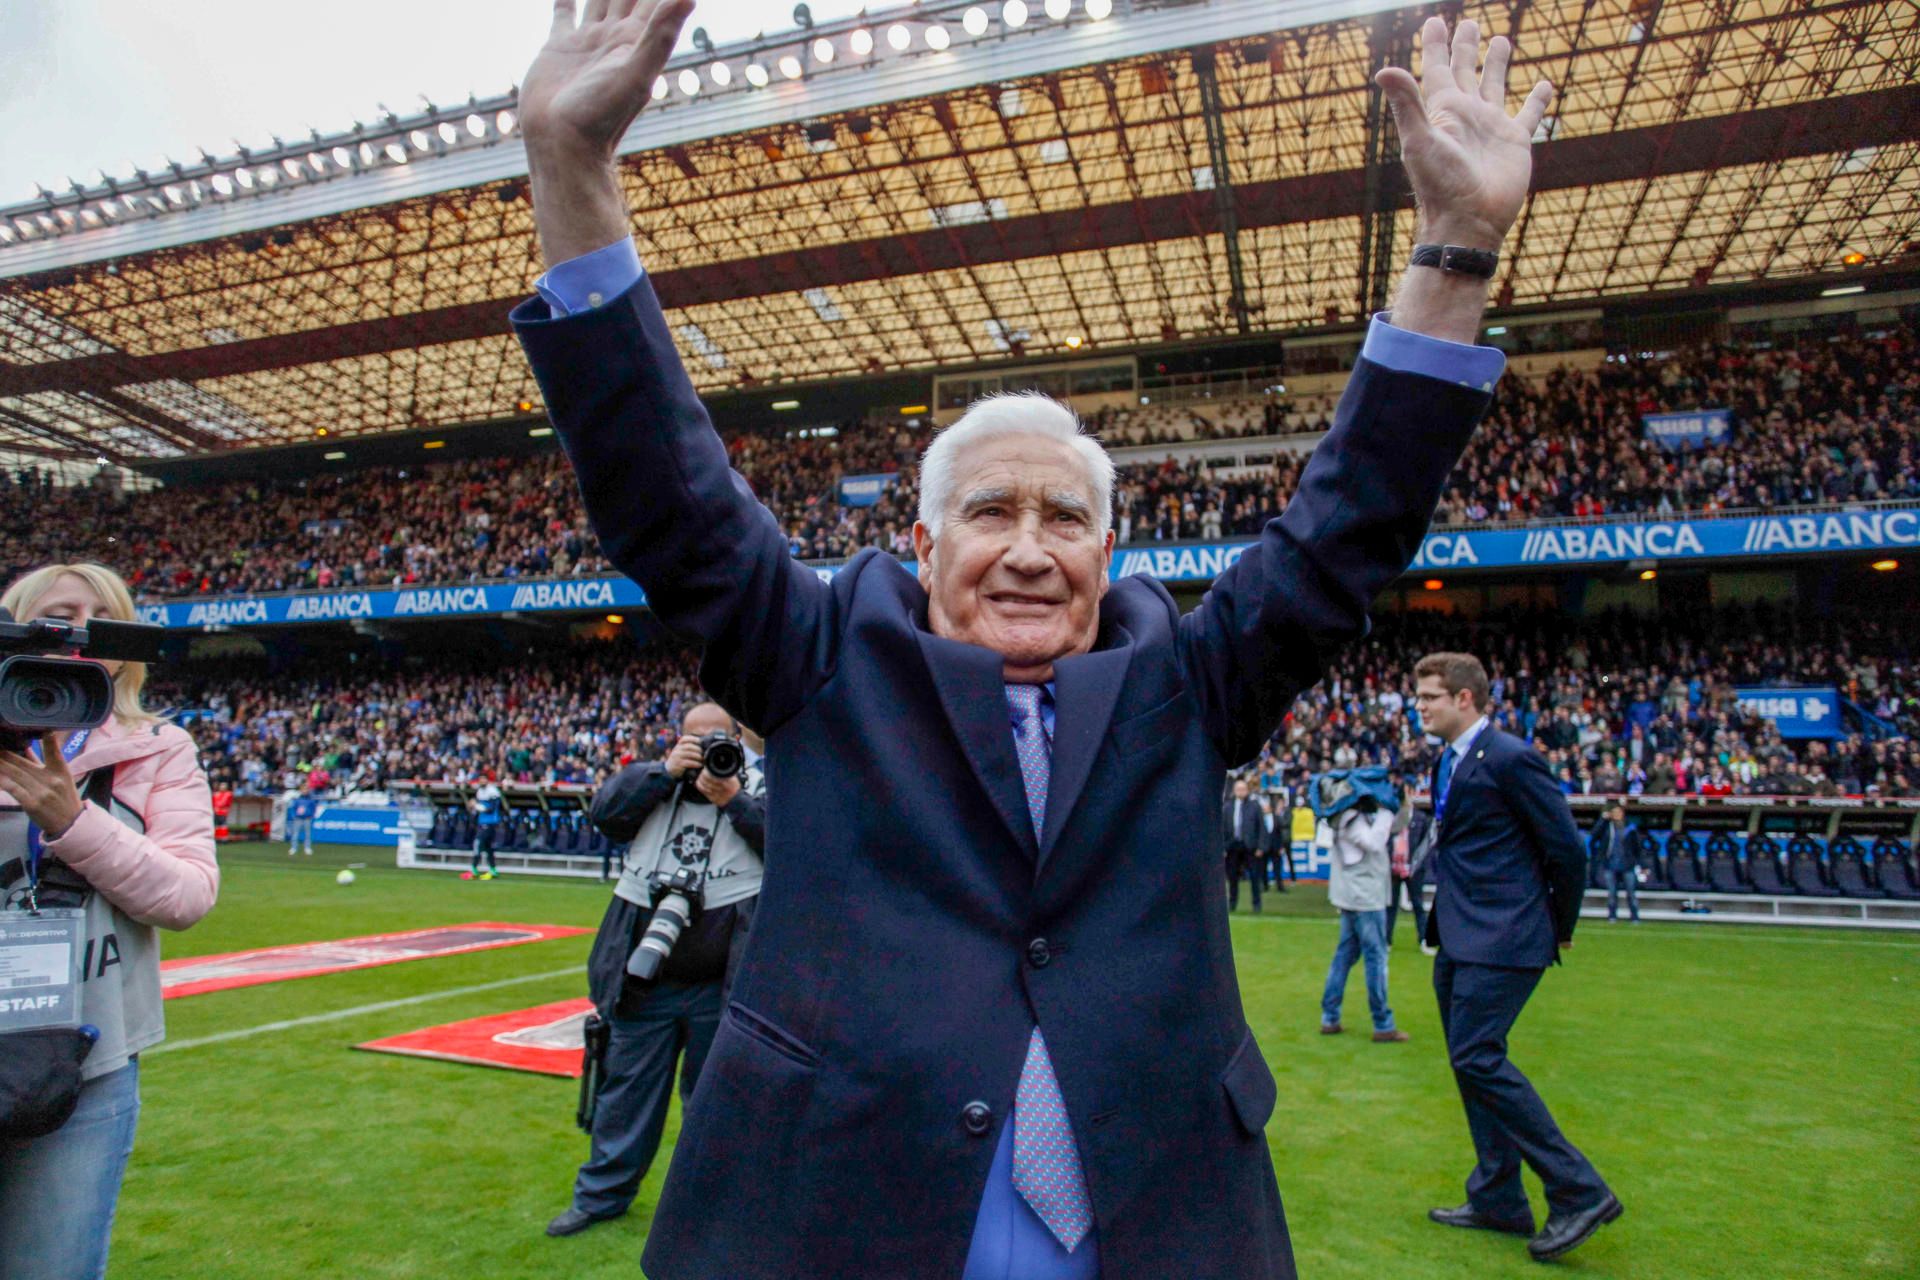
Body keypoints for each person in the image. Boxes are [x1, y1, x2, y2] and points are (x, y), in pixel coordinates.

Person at [513, 7, 1548, 1275]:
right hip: (842, 1213)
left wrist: (1457, 247)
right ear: (926, 542)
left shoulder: (1188, 677)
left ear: (1105, 557)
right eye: (989, 511)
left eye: (1065, 516)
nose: (1026, 545)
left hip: (1152, 1219)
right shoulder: (824, 654)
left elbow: (1350, 526)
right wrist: (569, 167)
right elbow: (661, 494)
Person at [0, 562, 220, 1280]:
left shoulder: (160, 747)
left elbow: (186, 897)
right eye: (58, 616)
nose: (76, 633)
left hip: (86, 1060)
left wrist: (73, 823)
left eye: (99, 620)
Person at [1413, 652, 1621, 1262]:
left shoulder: (1510, 757)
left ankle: (1578, 1190)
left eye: (1429, 697)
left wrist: (1560, 927)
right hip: (1460, 935)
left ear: (1466, 700)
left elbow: (1567, 850)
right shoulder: (1448, 761)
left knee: (1479, 1054)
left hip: (1505, 937)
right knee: (1467, 1060)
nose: (1419, 706)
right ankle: (1499, 1195)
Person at [547, 702, 766, 1239]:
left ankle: (709, 1208)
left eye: (719, 740)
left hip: (723, 990)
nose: (708, 751)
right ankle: (601, 1197)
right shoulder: (651, 785)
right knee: (625, 1097)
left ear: (737, 741)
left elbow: (790, 848)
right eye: (697, 741)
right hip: (645, 984)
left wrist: (733, 800)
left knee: (715, 1106)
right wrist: (662, 772)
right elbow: (604, 814)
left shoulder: (759, 791)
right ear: (678, 741)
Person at [1318, 795, 1406, 1042]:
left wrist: (1401, 806)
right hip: (1364, 898)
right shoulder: (1351, 818)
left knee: (1345, 955)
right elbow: (1375, 842)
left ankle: (1330, 1017)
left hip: (1353, 896)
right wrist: (1387, 812)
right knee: (1375, 958)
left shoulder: (1346, 816)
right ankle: (1383, 1023)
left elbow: (1393, 829)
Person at [1223, 778, 1265, 913]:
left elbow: (1261, 827)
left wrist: (1260, 846)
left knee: (1254, 877)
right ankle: (1232, 903)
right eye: (1238, 789)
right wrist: (1222, 847)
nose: (1241, 792)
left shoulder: (1254, 806)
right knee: (1232, 877)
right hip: (1232, 846)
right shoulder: (1227, 807)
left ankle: (1256, 904)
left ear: (1247, 790)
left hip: (1250, 846)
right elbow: (1222, 828)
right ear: (1234, 791)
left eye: (1243, 789)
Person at [1594, 803, 1637, 923]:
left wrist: (1640, 863)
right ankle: (1612, 915)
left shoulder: (1630, 828)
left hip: (1627, 865)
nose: (1617, 815)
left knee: (1631, 892)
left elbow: (1636, 847)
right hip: (1610, 864)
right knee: (1612, 893)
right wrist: (1602, 819)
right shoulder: (1607, 827)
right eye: (1614, 813)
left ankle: (1634, 916)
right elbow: (1594, 835)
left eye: (1619, 812)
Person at [467, 774, 503, 880]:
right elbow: (479, 808)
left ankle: (474, 870)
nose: (482, 781)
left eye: (484, 779)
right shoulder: (480, 792)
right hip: (482, 822)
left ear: (487, 780)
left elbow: (491, 809)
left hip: (490, 823)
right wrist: (472, 808)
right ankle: (493, 870)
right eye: (480, 779)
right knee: (488, 848)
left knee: (477, 843)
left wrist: (475, 806)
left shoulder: (493, 791)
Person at [1260, 795, 1291, 892]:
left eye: (1266, 807)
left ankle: (1280, 886)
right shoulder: (1260, 819)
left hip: (1275, 847)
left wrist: (1281, 846)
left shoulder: (1276, 818)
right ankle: (1265, 886)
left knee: (1277, 868)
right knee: (1263, 868)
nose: (1265, 809)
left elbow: (1280, 833)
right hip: (1264, 847)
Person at [287, 790, 318, 857]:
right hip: (298, 818)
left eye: (306, 790)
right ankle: (294, 848)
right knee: (295, 833)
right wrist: (294, 815)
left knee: (308, 834)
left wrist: (311, 815)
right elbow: (293, 808)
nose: (305, 791)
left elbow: (313, 808)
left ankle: (307, 848)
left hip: (307, 818)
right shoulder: (297, 800)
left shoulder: (310, 800)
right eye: (303, 790)